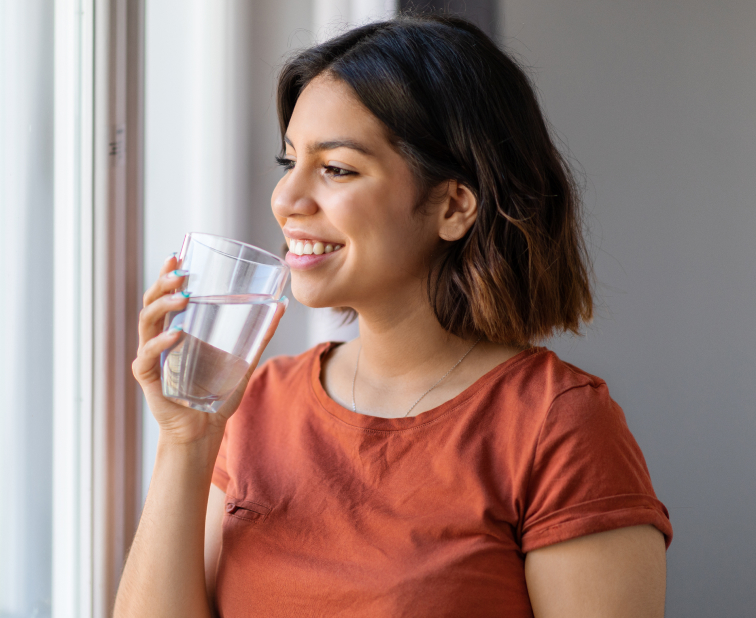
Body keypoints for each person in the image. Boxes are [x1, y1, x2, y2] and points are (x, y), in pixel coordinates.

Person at [116, 13, 672, 618]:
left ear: (453, 206)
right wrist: (185, 440)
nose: (285, 199)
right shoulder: (255, 404)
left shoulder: (555, 426)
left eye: (336, 169)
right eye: (289, 163)